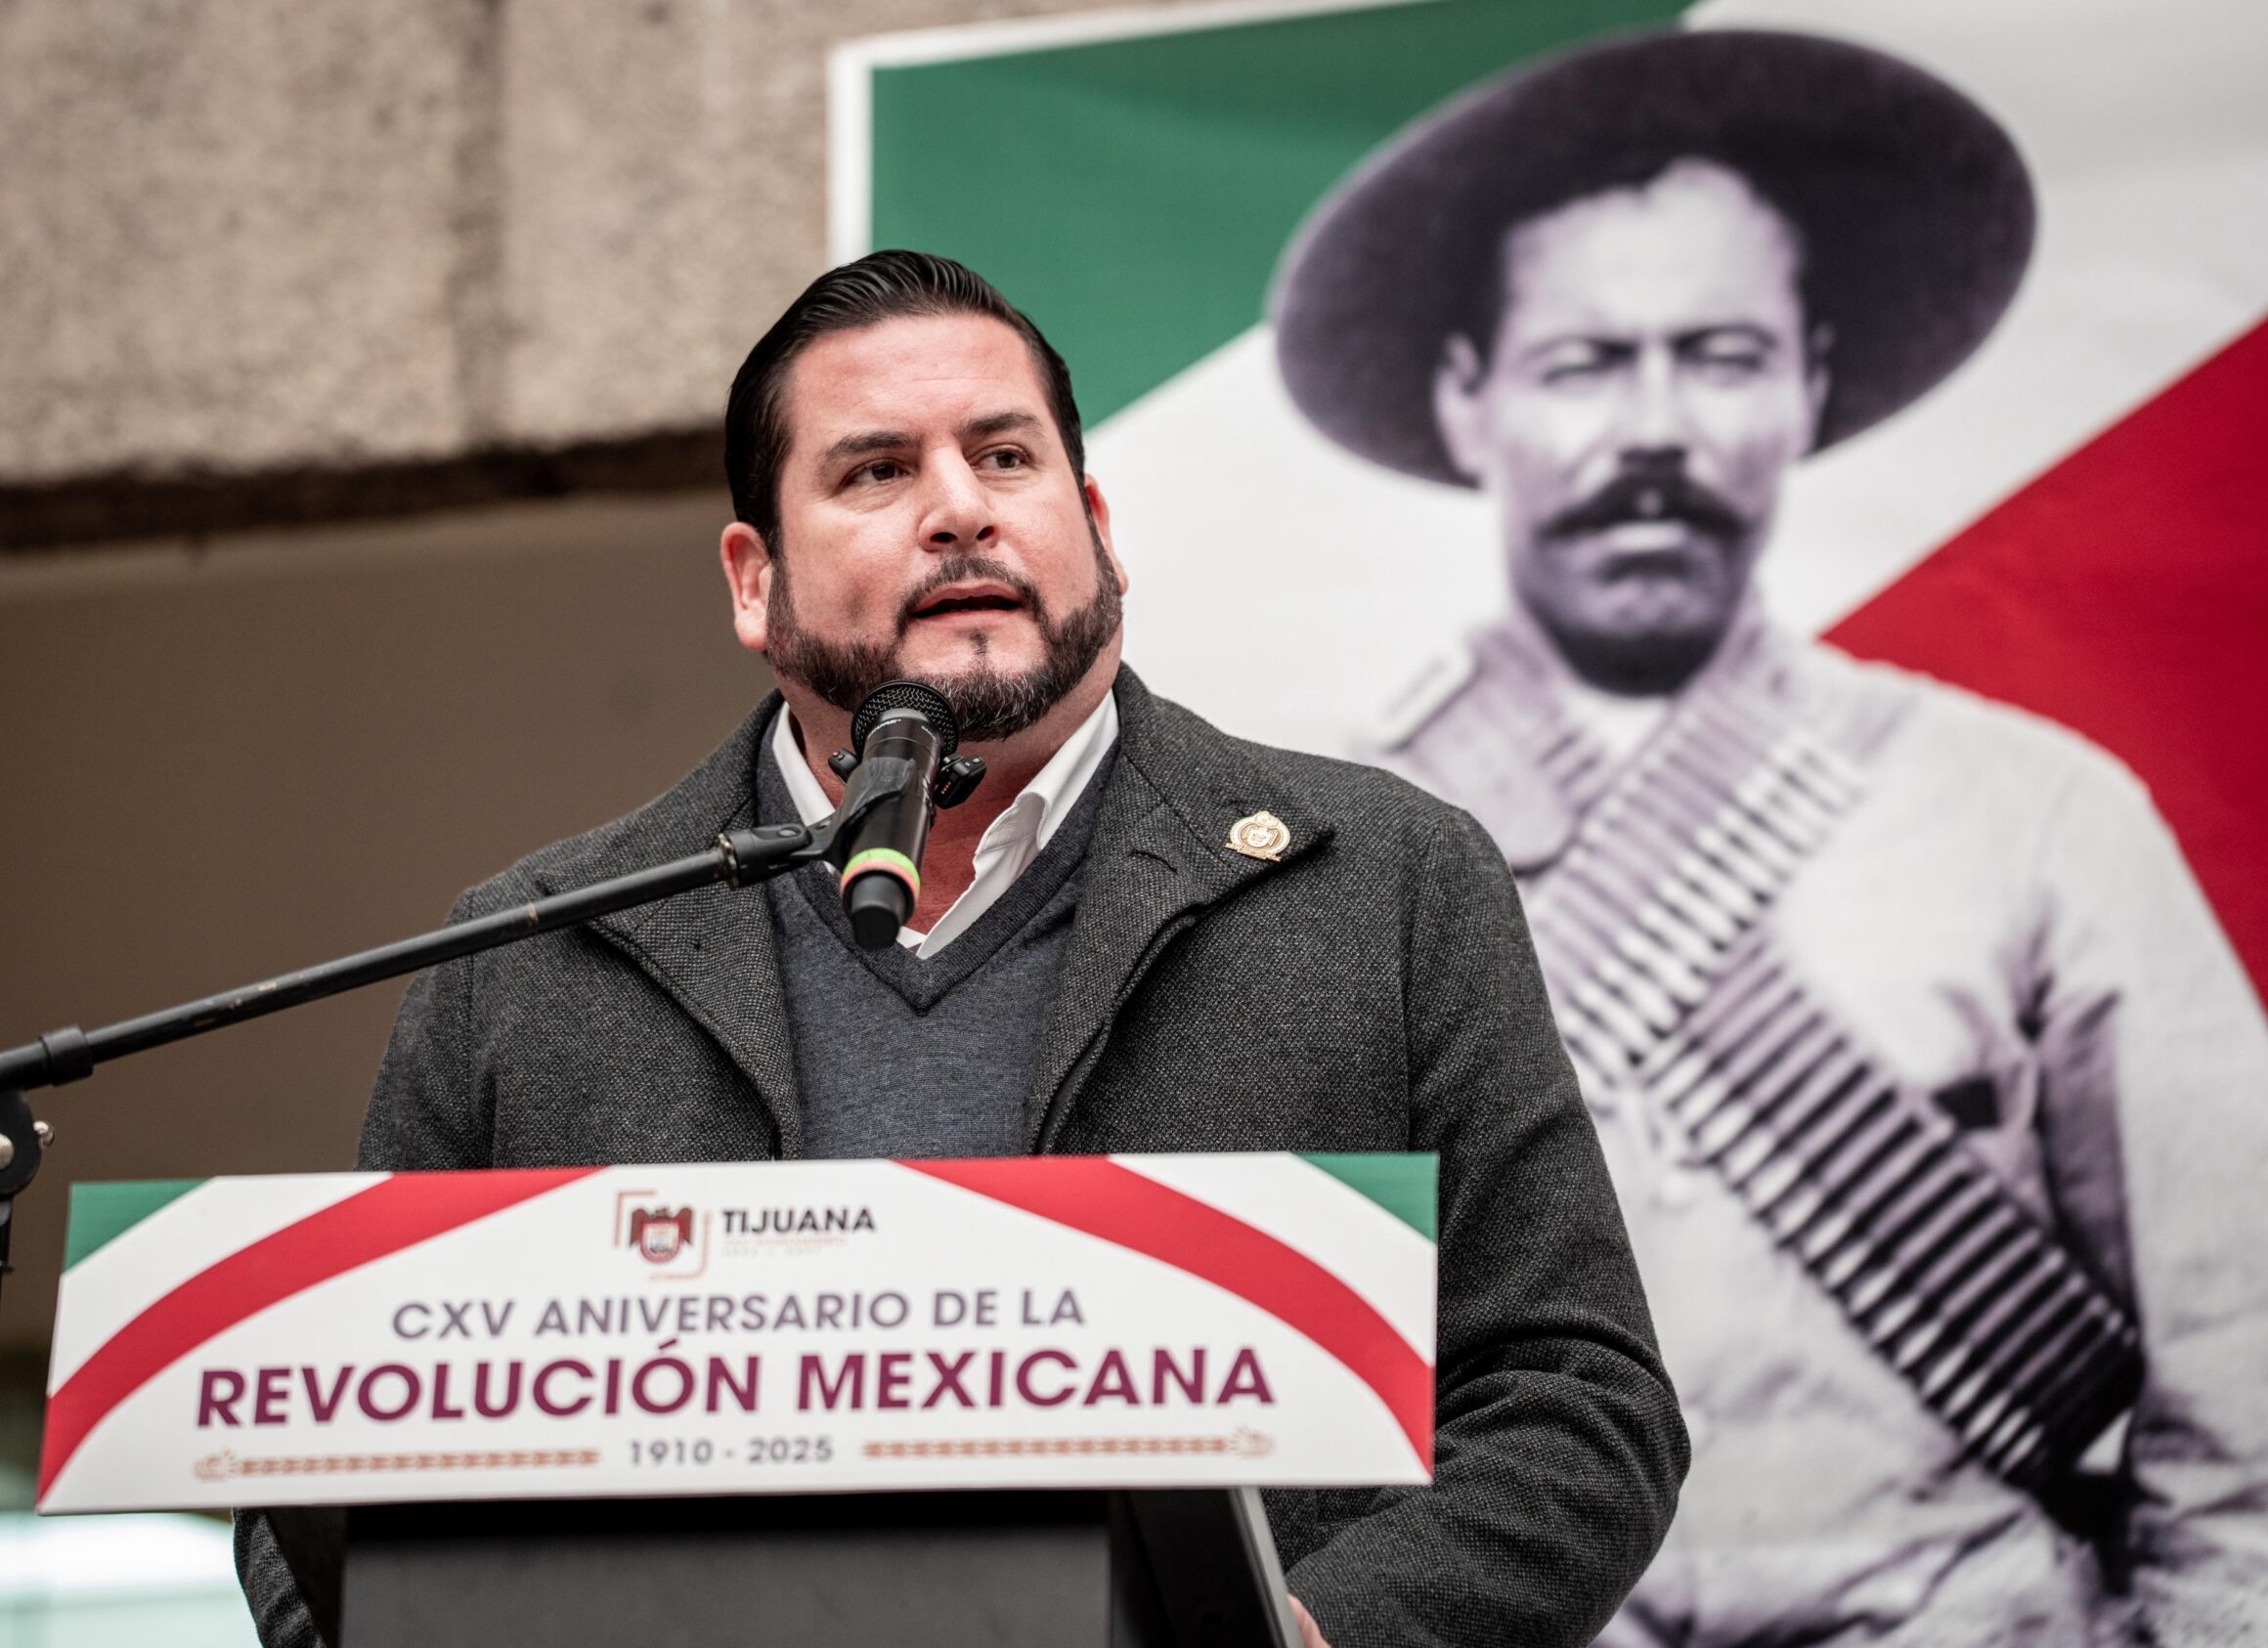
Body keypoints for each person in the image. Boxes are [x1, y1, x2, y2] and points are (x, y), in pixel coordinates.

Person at [231, 250, 1689, 1646]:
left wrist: (1313, 1637)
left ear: (1097, 525)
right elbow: (322, 1466)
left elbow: (1576, 1402)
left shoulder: (1383, 882)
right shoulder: (533, 955)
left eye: (1005, 457)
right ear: (753, 580)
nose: (960, 511)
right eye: (876, 471)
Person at [1272, 28, 2268, 1646]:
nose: (1654, 428)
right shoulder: (1314, 847)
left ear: (1809, 382)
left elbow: (2246, 1378)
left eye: (1723, 355)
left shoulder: (2039, 817)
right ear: (1469, 401)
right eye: (1583, 363)